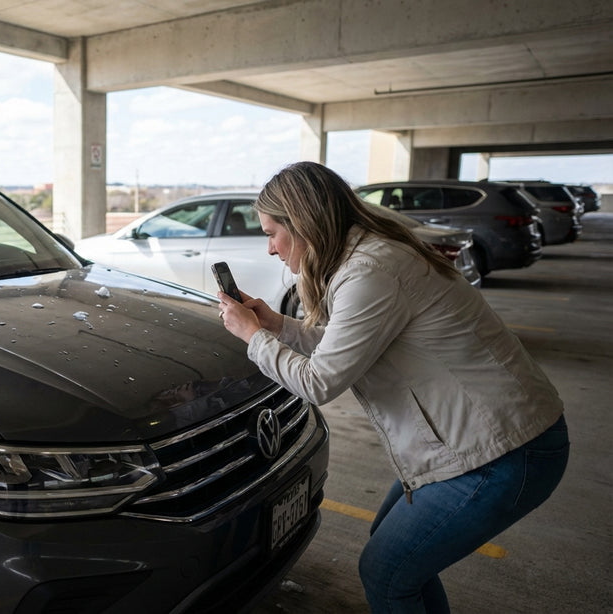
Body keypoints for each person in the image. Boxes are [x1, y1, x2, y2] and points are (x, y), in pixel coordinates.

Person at [216, 161, 569, 614]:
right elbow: (347, 347)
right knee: (396, 559)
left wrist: (253, 336)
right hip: (483, 441)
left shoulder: (369, 271)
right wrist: (277, 325)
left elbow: (320, 381)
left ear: (302, 224)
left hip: (500, 451)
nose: (269, 249)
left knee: (387, 573)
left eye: (271, 233)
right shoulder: (369, 257)